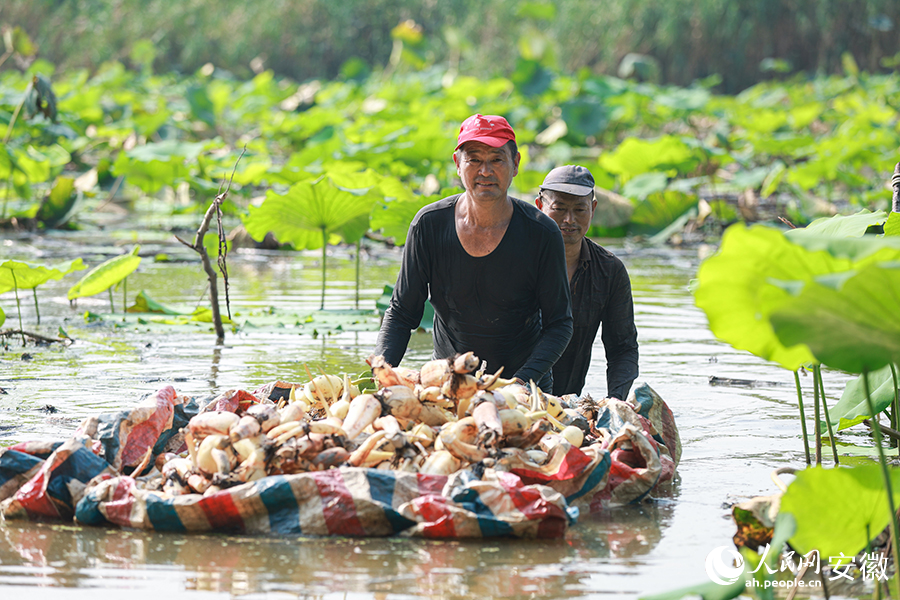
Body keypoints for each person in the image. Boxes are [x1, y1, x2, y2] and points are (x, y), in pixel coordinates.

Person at [374, 114, 573, 390]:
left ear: (515, 164)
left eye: (496, 160)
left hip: (524, 385)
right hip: (448, 381)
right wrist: (384, 372)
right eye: (475, 159)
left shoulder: (542, 233)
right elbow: (401, 312)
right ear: (458, 164)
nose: (485, 171)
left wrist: (522, 381)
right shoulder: (428, 225)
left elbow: (560, 324)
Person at [535, 165, 639, 400]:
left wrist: (615, 401)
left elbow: (623, 349)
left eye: (579, 209)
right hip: (512, 393)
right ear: (540, 206)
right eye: (559, 208)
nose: (569, 220)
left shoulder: (610, 271)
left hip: (568, 399)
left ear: (592, 209)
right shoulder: (516, 260)